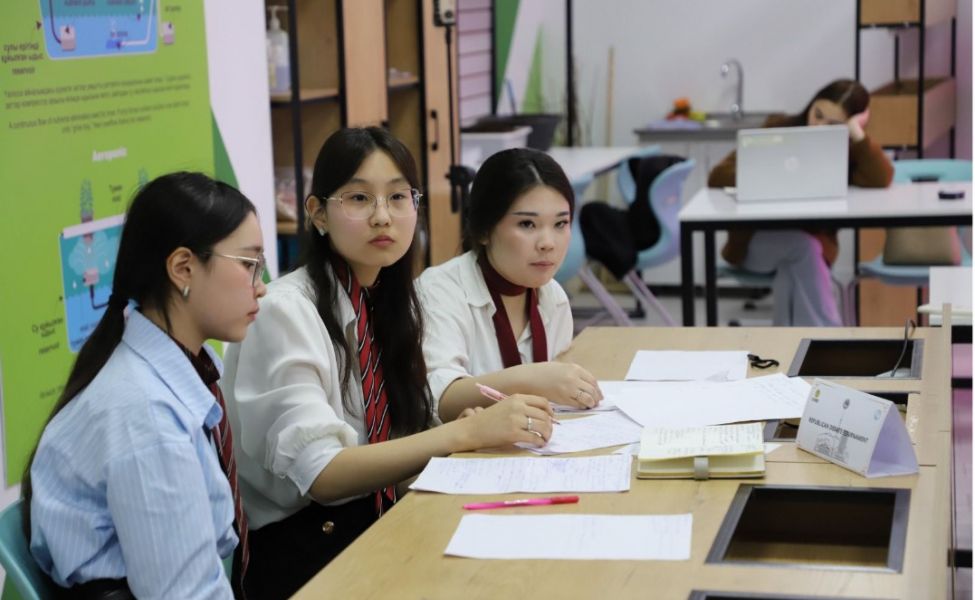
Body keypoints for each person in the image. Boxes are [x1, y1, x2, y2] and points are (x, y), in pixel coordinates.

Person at [220, 127, 556, 600]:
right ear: (317, 213)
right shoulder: (285, 311)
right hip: (305, 557)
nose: (383, 217)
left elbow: (399, 438)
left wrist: (461, 435)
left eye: (398, 197)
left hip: (380, 525)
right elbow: (323, 475)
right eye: (359, 198)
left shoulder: (388, 301)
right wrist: (464, 434)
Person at [25, 172, 267, 599]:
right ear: (183, 268)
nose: (261, 287)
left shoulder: (191, 367)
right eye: (249, 265)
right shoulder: (146, 415)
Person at [416, 148, 604, 423]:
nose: (548, 243)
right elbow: (437, 398)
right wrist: (531, 378)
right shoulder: (438, 290)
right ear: (483, 230)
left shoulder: (553, 297)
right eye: (527, 224)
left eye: (560, 223)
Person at [708, 79, 894, 326]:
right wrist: (772, 176)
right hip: (755, 243)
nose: (818, 125)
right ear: (811, 104)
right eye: (818, 114)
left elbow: (881, 178)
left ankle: (789, 343)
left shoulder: (846, 152)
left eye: (833, 124)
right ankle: (831, 339)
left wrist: (856, 133)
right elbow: (718, 175)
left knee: (796, 262)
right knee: (803, 249)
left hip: (809, 250)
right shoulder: (779, 129)